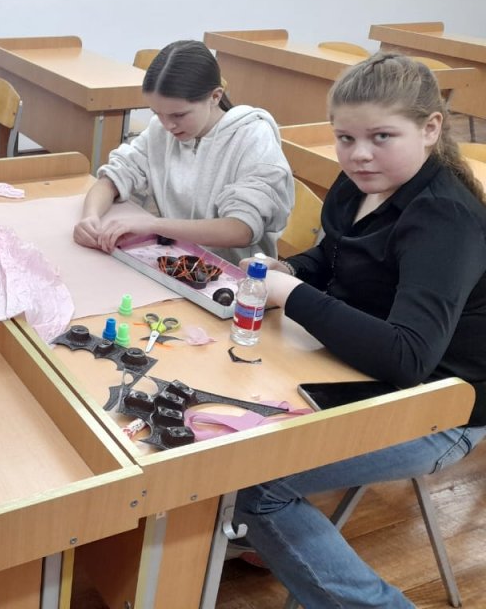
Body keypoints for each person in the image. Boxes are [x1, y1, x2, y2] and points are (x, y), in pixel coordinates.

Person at [232, 53, 486, 608]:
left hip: (441, 409)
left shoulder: (445, 219)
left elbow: (407, 358)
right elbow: (335, 257)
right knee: (228, 430)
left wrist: (292, 294)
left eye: (381, 137)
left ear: (431, 128)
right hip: (359, 370)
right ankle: (243, 537)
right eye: (345, 138)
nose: (359, 153)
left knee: (254, 482)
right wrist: (288, 268)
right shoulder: (359, 185)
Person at [73, 39, 294, 263]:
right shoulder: (161, 129)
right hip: (176, 260)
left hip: (236, 272)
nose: (168, 125)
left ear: (215, 97)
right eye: (157, 113)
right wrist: (90, 217)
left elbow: (241, 229)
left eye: (179, 115)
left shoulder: (253, 137)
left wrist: (154, 225)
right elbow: (114, 177)